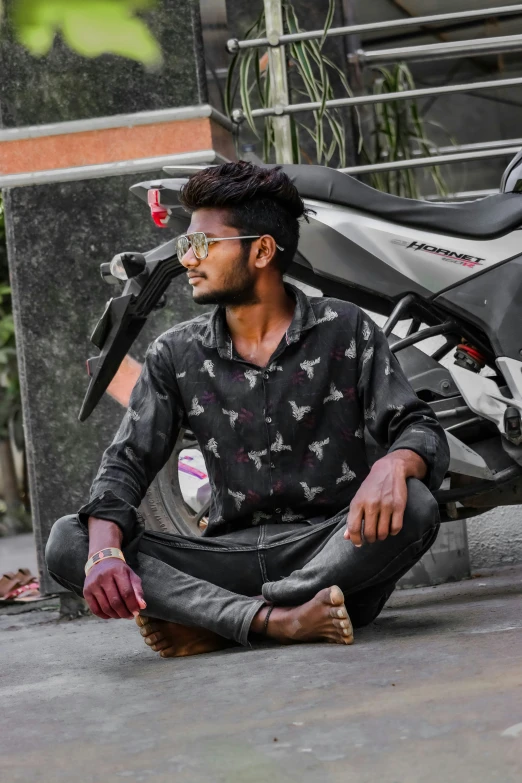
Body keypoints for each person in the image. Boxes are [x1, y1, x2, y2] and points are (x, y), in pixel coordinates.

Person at [45, 162, 449, 657]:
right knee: (70, 541)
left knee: (419, 506)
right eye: (183, 246)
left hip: (329, 550)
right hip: (225, 555)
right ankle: (280, 620)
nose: (186, 260)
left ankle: (225, 619)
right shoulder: (176, 353)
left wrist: (393, 463)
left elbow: (418, 426)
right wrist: (104, 551)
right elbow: (125, 464)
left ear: (261, 250)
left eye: (200, 245)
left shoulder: (345, 329)